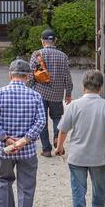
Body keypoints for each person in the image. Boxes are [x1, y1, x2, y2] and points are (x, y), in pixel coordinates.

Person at [53, 70, 105, 207]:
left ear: (83, 87)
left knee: (78, 190)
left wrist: (59, 147)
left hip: (77, 156)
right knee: (99, 189)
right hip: (98, 156)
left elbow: (63, 130)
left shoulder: (74, 106)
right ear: (101, 88)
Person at [0, 59, 46, 207]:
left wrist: (6, 137)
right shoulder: (35, 96)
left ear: (10, 74)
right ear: (28, 76)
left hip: (4, 149)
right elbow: (41, 122)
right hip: (27, 150)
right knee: (26, 188)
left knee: (4, 181)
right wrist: (25, 139)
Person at [29, 28, 74, 157]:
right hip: (57, 93)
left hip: (40, 92)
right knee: (57, 118)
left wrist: (28, 90)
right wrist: (69, 93)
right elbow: (67, 76)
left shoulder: (37, 55)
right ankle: (56, 138)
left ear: (42, 41)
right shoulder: (63, 56)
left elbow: (32, 75)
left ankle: (46, 149)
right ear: (56, 41)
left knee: (41, 120)